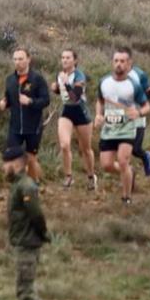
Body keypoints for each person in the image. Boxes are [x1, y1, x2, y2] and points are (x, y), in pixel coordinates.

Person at [96, 50, 150, 204]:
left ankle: (126, 198)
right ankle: (129, 172)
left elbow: (147, 106)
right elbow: (100, 100)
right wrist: (99, 115)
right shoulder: (104, 82)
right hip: (109, 129)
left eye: (122, 61)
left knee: (123, 159)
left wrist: (139, 112)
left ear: (129, 64)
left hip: (127, 129)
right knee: (106, 165)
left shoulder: (134, 85)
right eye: (116, 61)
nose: (119, 64)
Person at [3, 143, 48, 300]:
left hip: (28, 243)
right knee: (26, 287)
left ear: (16, 164)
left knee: (24, 289)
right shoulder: (19, 185)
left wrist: (41, 234)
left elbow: (36, 214)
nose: (3, 168)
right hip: (23, 241)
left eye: (6, 164)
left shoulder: (26, 186)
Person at [0, 48, 50, 183]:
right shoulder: (10, 79)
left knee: (31, 158)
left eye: (20, 59)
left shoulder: (37, 79)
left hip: (33, 126)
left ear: (28, 59)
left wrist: (30, 101)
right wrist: (4, 103)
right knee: (13, 157)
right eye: (15, 59)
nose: (17, 62)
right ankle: (17, 186)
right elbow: (9, 98)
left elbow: (46, 100)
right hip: (15, 126)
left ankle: (34, 184)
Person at [51, 49, 98, 193]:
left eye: (68, 58)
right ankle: (68, 176)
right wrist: (56, 89)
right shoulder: (60, 74)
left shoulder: (79, 76)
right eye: (63, 57)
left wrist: (65, 84)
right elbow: (62, 93)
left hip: (81, 113)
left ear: (75, 61)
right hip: (67, 112)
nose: (64, 60)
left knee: (86, 149)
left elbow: (75, 97)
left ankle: (91, 176)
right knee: (65, 145)